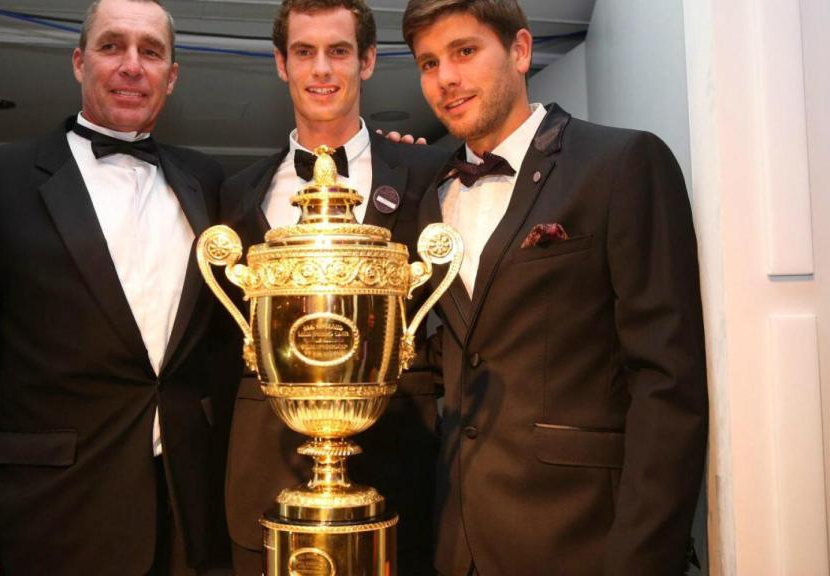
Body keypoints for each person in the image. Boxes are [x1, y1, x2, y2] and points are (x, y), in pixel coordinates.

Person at [0, 0, 232, 574]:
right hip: (50, 520)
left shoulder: (210, 183)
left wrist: (388, 155)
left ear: (172, 75)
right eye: (113, 46)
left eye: (151, 52)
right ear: (79, 62)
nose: (132, 65)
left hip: (190, 518)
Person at [400, 1, 709, 574]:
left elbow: (668, 383)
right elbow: (456, 350)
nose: (445, 78)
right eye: (427, 63)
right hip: (457, 541)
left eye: (465, 51)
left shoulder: (622, 163)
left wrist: (643, 556)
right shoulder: (430, 197)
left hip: (584, 537)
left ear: (520, 50)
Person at [219, 1, 449, 574]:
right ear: (281, 64)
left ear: (367, 61)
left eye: (339, 51)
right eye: (304, 52)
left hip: (398, 471)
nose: (322, 69)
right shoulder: (236, 191)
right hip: (263, 474)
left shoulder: (429, 172)